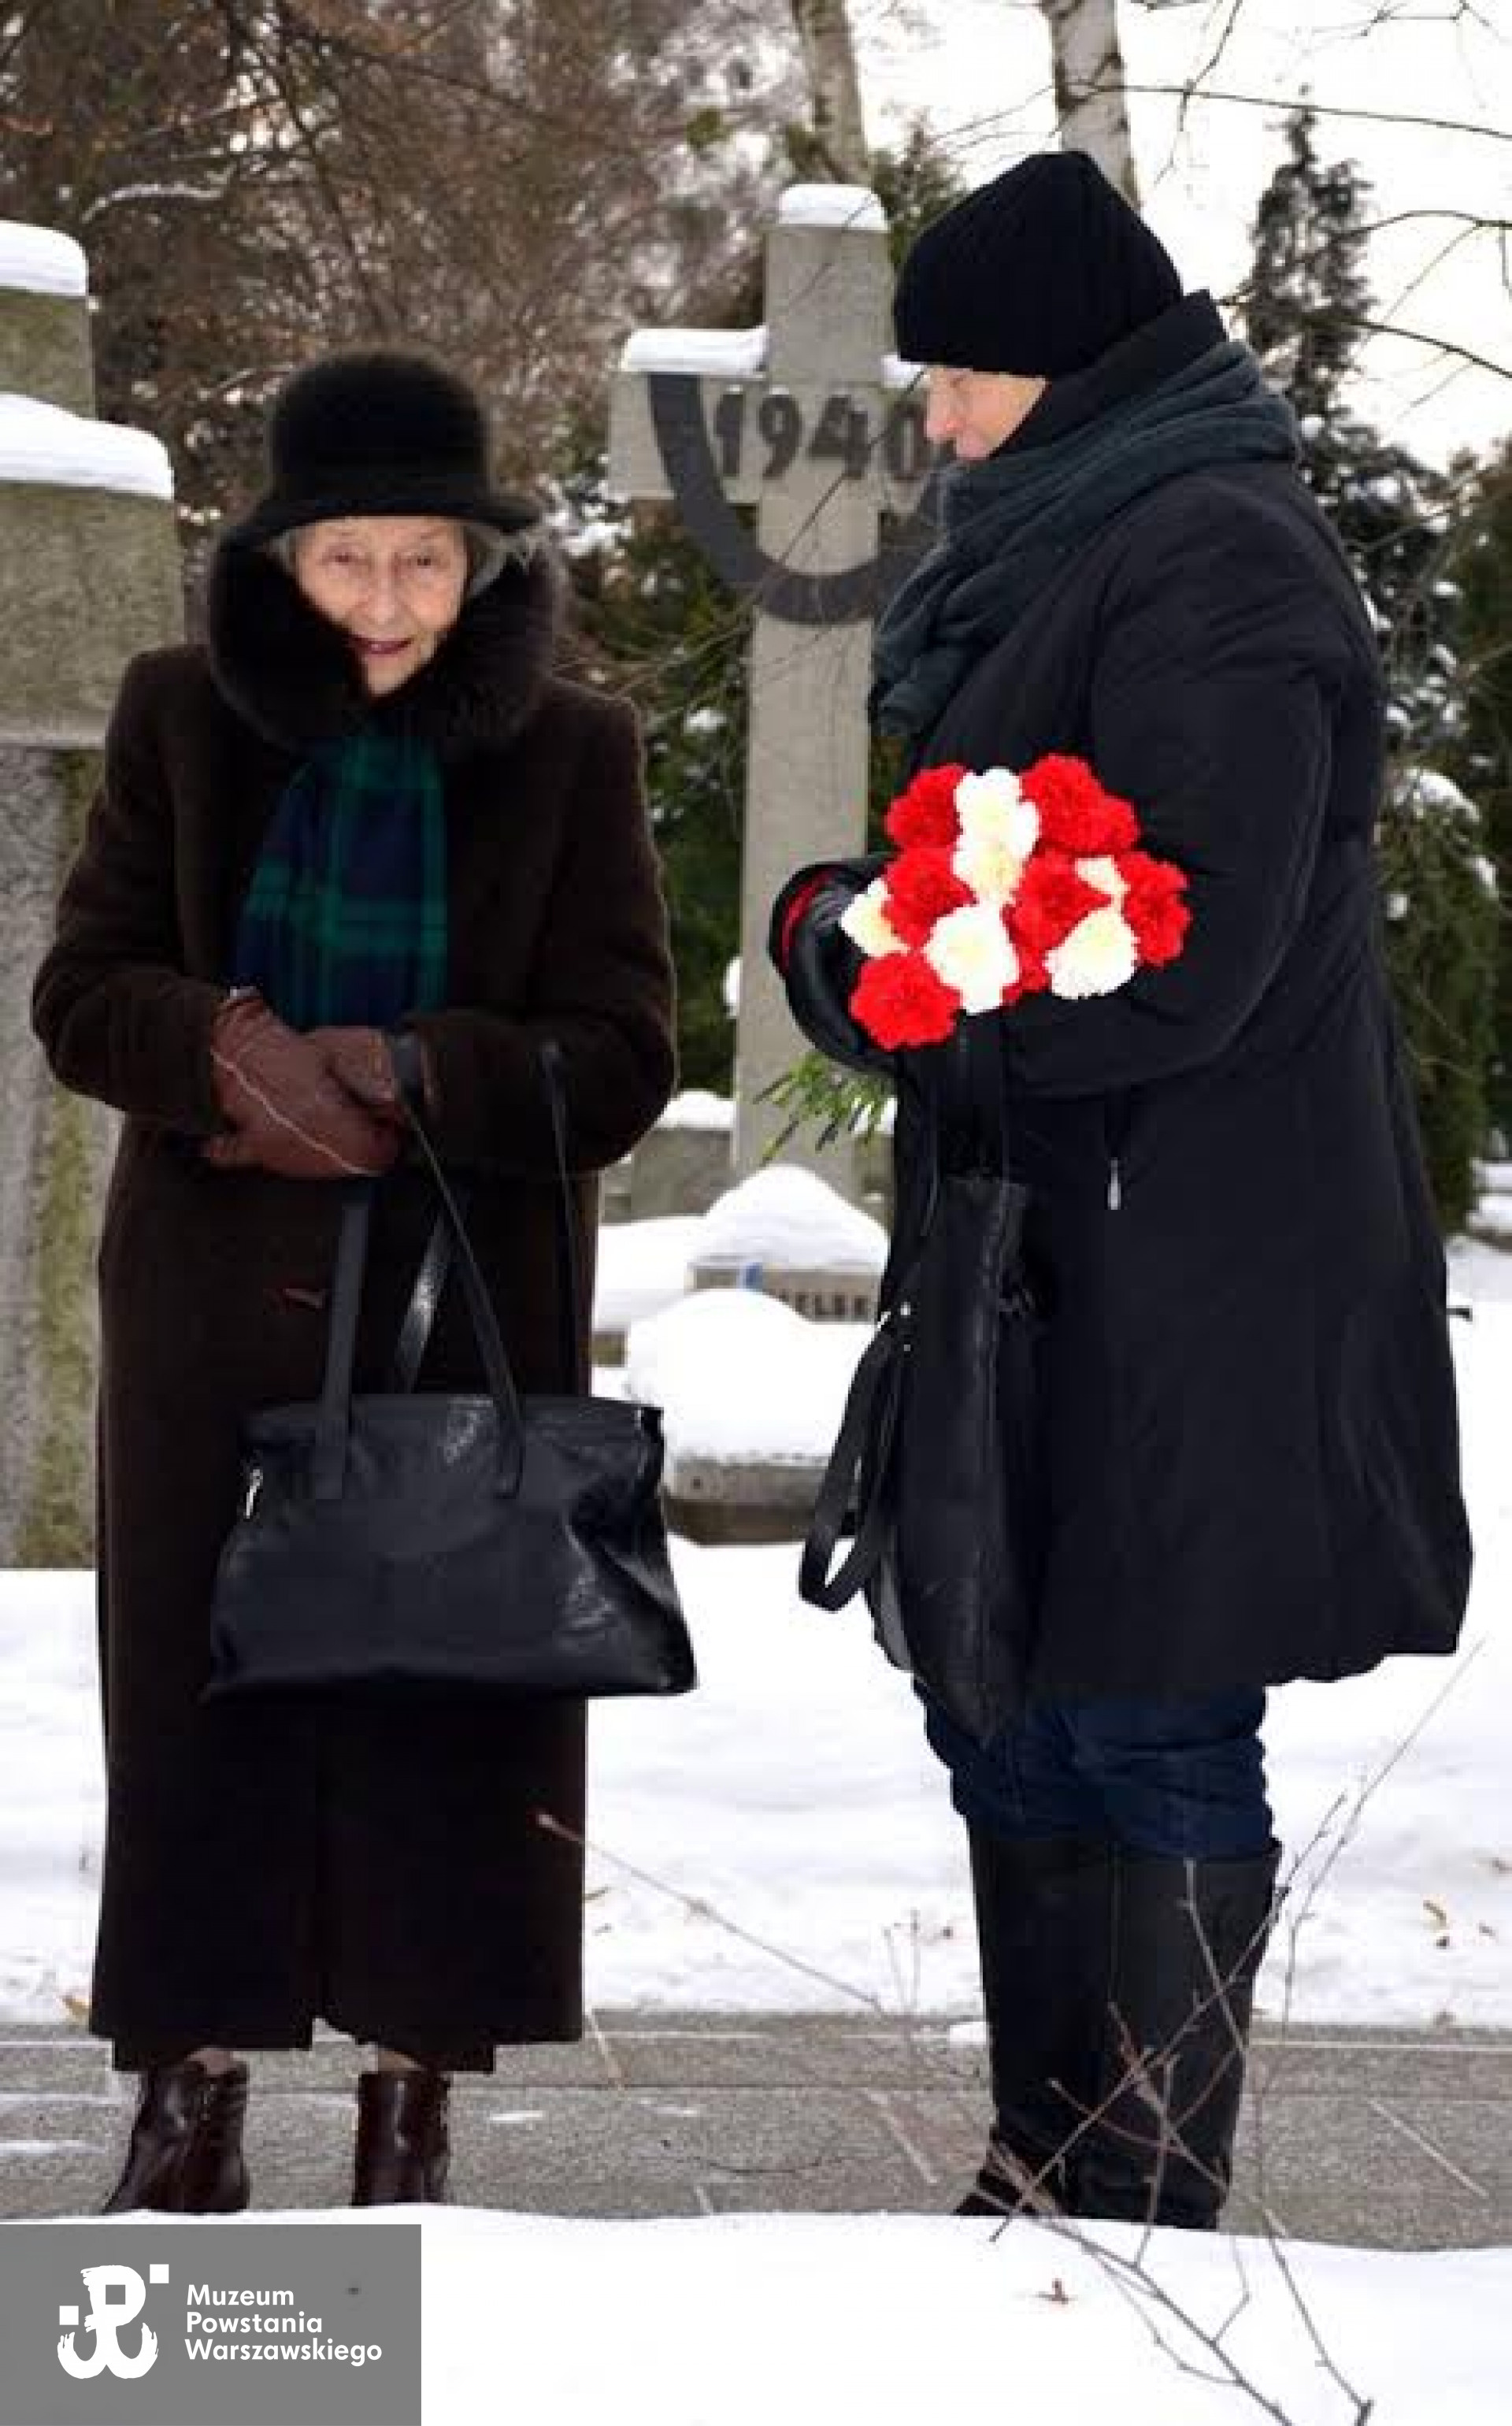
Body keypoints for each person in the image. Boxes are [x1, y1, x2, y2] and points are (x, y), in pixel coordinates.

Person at [769, 152, 1471, 2229]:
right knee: (1010, 1701)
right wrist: (871, 926)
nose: (935, 421)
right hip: (1043, 1237)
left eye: (960, 378)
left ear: (1067, 367)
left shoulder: (1216, 559)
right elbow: (999, 857)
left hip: (1193, 1254)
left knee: (1149, 1709)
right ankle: (1045, 2160)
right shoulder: (1078, 532)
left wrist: (874, 974)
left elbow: (1182, 951)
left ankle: (1143, 2196)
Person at [32, 348, 676, 2212]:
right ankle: (189, 2098)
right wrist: (237, 1053)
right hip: (211, 1310)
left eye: (425, 561)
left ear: (482, 565)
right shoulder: (177, 717)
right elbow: (85, 994)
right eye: (345, 560)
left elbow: (622, 1052)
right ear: (276, 560)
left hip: (458, 1303)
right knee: (201, 1694)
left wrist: (414, 1072)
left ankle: (414, 2105)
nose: (385, 601)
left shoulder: (574, 748)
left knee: (442, 1691)